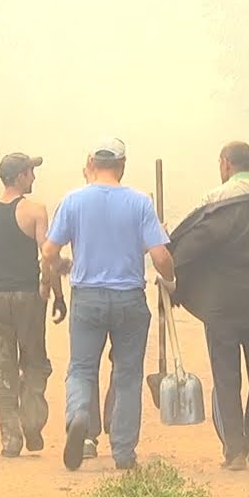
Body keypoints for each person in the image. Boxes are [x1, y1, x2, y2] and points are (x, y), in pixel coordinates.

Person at [41, 137, 176, 472]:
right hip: (129, 298)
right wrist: (170, 280)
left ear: (92, 163)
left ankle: (79, 416)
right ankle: (124, 452)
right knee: (128, 374)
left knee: (81, 369)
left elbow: (48, 251)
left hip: (87, 298)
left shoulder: (73, 200)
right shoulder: (140, 202)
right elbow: (160, 256)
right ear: (122, 165)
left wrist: (59, 266)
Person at [167, 141, 249, 470]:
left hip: (221, 307)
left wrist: (176, 285)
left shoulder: (215, 203)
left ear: (225, 164)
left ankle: (234, 449)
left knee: (226, 376)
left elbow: (186, 249)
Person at [0, 152, 67, 458]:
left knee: (0, 366)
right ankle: (31, 423)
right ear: (20, 176)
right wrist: (56, 294)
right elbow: (48, 257)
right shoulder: (35, 211)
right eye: (31, 172)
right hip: (28, 297)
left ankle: (11, 438)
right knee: (34, 362)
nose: (34, 177)